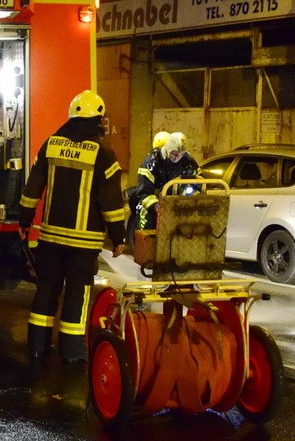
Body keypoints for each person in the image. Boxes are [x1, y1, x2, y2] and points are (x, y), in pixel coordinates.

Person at [18, 90, 127, 363]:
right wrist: (118, 238)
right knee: (78, 294)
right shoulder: (103, 154)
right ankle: (72, 353)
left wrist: (24, 220)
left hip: (51, 238)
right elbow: (111, 202)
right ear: (98, 118)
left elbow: (33, 188)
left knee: (46, 289)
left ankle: (37, 348)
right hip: (83, 243)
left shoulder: (50, 145)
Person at [134, 131, 198, 231]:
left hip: (177, 209)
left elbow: (197, 181)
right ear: (168, 148)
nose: (177, 157)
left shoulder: (187, 161)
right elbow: (144, 192)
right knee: (150, 235)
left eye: (181, 154)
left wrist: (190, 201)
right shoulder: (151, 163)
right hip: (152, 209)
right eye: (175, 153)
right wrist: (157, 207)